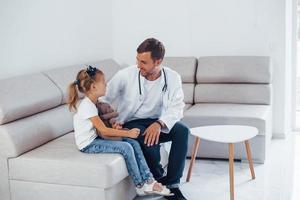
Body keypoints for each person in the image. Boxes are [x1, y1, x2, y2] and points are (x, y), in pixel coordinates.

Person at [101, 38, 189, 200]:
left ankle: (172, 184)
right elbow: (103, 97)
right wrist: (109, 119)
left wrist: (159, 123)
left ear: (158, 61)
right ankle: (157, 179)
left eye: (143, 62)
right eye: (137, 60)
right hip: (132, 122)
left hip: (159, 121)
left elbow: (177, 107)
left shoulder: (172, 77)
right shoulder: (125, 75)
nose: (138, 65)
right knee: (148, 140)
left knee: (183, 131)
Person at [67, 65, 172, 197]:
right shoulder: (87, 106)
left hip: (96, 138)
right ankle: (140, 185)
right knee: (126, 147)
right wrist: (127, 133)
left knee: (133, 143)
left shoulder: (94, 103)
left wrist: (118, 129)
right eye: (104, 83)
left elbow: (104, 129)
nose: (106, 85)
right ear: (93, 87)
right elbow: (103, 130)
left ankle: (149, 180)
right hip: (88, 144)